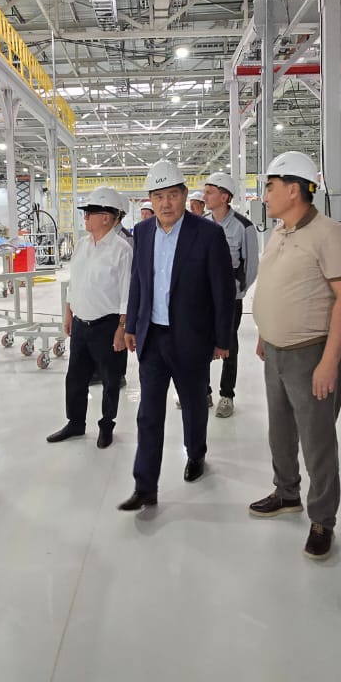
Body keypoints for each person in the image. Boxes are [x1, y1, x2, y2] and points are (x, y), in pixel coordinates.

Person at [249, 152, 341, 560]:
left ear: (294, 190)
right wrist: (265, 332)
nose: (264, 196)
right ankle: (287, 492)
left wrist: (329, 362)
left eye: (270, 187)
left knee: (317, 441)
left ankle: (323, 518)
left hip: (311, 353)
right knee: (279, 431)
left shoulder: (329, 234)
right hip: (276, 352)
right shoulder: (280, 231)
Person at [118, 160, 234, 511]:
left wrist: (222, 340)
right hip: (152, 338)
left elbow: (223, 290)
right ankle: (145, 486)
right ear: (150, 199)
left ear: (184, 195)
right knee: (148, 414)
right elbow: (138, 281)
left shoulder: (208, 234)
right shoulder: (143, 232)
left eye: (172, 195)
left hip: (192, 338)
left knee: (194, 405)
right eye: (158, 196)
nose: (165, 203)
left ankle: (196, 453)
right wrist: (131, 325)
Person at [50, 187, 132, 448]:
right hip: (81, 324)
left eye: (90, 213)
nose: (84, 217)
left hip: (107, 326)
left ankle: (106, 425)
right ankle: (75, 423)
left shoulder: (122, 250)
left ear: (106, 217)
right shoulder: (82, 245)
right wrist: (68, 312)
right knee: (75, 378)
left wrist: (122, 327)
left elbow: (127, 293)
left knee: (110, 380)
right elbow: (74, 281)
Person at [202, 171, 259, 418]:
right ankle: (203, 391)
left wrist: (238, 291)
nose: (204, 196)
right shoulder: (201, 224)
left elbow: (251, 266)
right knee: (202, 343)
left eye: (209, 192)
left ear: (224, 197)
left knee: (229, 345)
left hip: (230, 299)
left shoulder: (243, 227)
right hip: (204, 298)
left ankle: (227, 395)